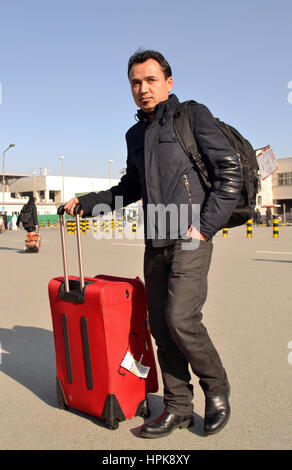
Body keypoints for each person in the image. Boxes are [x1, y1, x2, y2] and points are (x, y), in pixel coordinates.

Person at [64, 50, 242, 438]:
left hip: (192, 236)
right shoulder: (136, 135)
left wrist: (205, 227)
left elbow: (230, 170)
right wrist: (89, 202)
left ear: (168, 82)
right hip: (156, 237)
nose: (143, 88)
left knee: (181, 318)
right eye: (135, 82)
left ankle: (217, 388)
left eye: (150, 80)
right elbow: (131, 187)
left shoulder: (192, 116)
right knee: (161, 326)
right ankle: (178, 406)